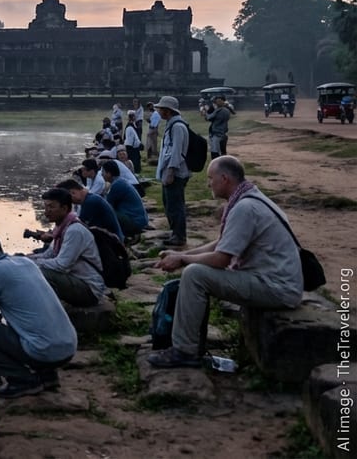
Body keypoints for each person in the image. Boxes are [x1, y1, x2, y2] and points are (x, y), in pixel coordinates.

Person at [148, 156, 303, 367]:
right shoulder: (250, 198)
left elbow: (221, 259)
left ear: (224, 178)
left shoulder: (244, 208)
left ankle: (184, 351)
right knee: (193, 269)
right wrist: (181, 255)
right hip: (277, 281)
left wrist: (184, 260)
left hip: (276, 287)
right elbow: (221, 244)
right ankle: (185, 347)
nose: (208, 183)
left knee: (194, 275)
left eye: (210, 178)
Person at [0, 229, 77, 398]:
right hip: (68, 348)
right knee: (23, 324)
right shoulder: (25, 263)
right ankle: (48, 376)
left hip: (43, 351)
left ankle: (23, 381)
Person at [28, 187, 107, 307]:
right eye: (46, 207)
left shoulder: (74, 230)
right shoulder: (61, 228)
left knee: (40, 273)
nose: (46, 211)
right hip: (74, 279)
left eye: (51, 207)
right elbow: (49, 254)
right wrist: (26, 259)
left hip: (89, 289)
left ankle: (44, 310)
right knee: (27, 264)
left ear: (64, 208)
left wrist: (33, 263)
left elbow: (62, 265)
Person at [154, 95, 190, 247]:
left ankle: (179, 236)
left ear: (167, 111)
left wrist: (170, 172)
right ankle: (175, 233)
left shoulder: (178, 127)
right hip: (169, 172)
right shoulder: (172, 124)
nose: (159, 111)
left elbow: (177, 152)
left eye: (161, 109)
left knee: (175, 205)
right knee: (169, 204)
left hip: (175, 173)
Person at [56, 178, 123, 243]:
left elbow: (79, 228)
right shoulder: (90, 199)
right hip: (109, 239)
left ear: (72, 193)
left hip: (113, 245)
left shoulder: (90, 202)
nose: (69, 202)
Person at [100, 161, 148, 239]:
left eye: (103, 172)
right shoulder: (120, 181)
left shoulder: (117, 185)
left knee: (106, 213)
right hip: (138, 219)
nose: (102, 174)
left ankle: (120, 237)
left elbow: (107, 205)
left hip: (136, 222)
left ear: (109, 173)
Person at [203, 94, 232, 159]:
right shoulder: (226, 110)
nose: (217, 102)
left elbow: (208, 118)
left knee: (215, 153)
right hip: (223, 134)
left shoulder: (219, 110)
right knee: (223, 152)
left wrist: (205, 112)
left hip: (217, 134)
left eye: (219, 101)